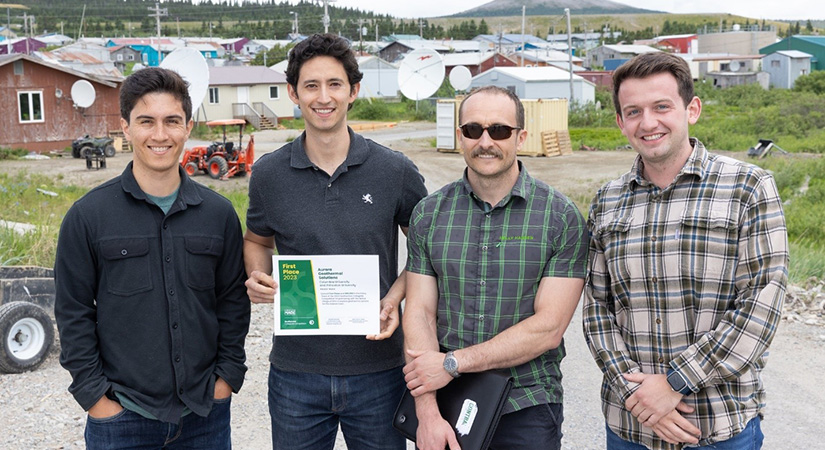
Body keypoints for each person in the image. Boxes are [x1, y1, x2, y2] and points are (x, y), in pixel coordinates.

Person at [583, 52, 789, 450]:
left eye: (662, 107)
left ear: (691, 109)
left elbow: (762, 304)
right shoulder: (606, 201)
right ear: (620, 121)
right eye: (633, 111)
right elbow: (596, 309)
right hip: (630, 429)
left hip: (717, 428)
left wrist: (675, 382)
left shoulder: (749, 188)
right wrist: (640, 397)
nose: (648, 122)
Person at [243, 33, 428, 450]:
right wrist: (257, 273)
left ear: (353, 91)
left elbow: (427, 251)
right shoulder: (269, 175)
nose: (322, 97)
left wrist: (395, 296)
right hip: (296, 374)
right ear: (293, 93)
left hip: (379, 370)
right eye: (310, 85)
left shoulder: (394, 171)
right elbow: (256, 239)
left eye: (334, 84)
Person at [54, 67, 251, 449]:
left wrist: (226, 379)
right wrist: (96, 399)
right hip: (121, 418)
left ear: (188, 126)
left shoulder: (219, 214)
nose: (160, 135)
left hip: (204, 416)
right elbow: (73, 313)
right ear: (126, 128)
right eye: (146, 121)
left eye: (172, 121)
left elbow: (232, 303)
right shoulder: (88, 217)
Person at [402, 86, 589, 450]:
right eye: (473, 130)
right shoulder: (428, 214)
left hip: (528, 402)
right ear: (460, 137)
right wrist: (426, 412)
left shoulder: (560, 216)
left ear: (521, 136)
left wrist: (453, 363)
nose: (485, 141)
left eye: (499, 130)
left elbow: (548, 328)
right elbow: (420, 313)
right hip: (446, 401)